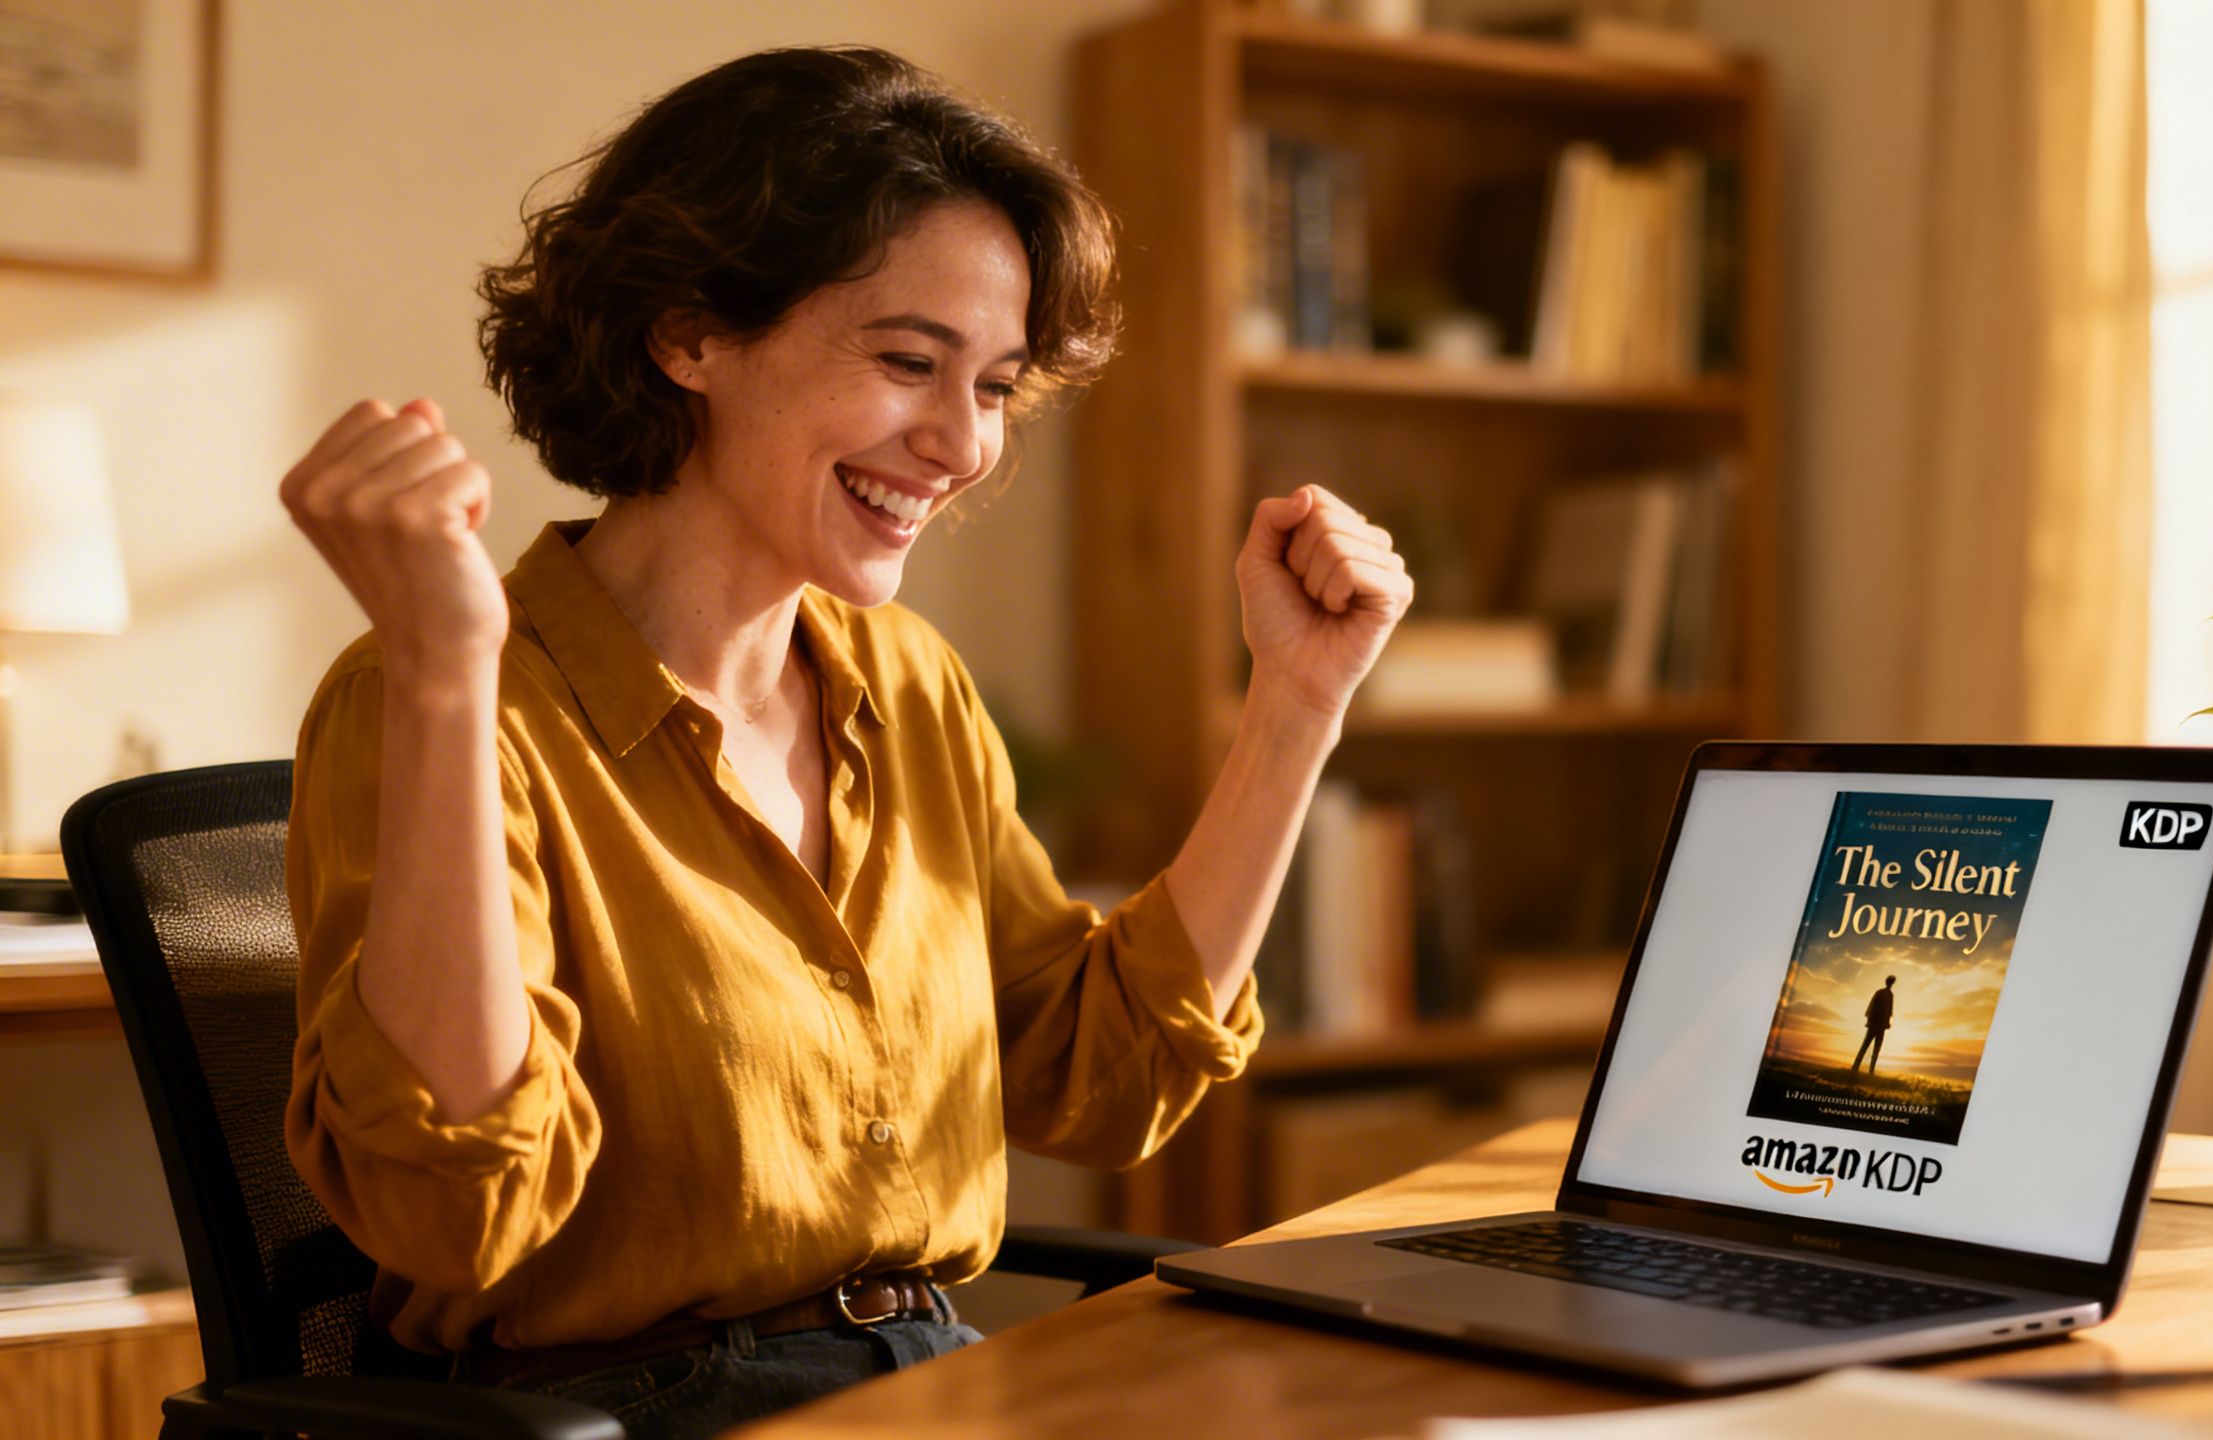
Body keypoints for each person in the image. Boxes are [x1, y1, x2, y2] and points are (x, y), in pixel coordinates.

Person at [276, 46, 1411, 1439]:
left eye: (993, 386)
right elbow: (454, 1218)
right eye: (908, 363)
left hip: (940, 1385)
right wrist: (445, 677)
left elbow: (1097, 1083)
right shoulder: (442, 700)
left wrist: (1297, 703)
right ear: (689, 335)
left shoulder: (908, 683)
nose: (964, 446)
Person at [1852, 976, 1896, 1073]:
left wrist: (1888, 1023)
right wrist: (1870, 1021)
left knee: (1874, 1049)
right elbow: (1873, 1007)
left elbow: (1889, 1011)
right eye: (1892, 982)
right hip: (1875, 1025)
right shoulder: (1882, 993)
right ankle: (1856, 1067)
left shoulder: (1888, 994)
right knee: (1867, 1047)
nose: (1891, 984)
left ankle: (1868, 1070)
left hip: (1880, 1026)